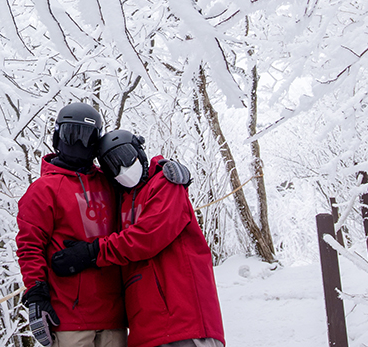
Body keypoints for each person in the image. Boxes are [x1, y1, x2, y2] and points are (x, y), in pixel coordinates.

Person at [51, 130, 225, 347]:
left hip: (184, 323)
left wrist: (92, 252)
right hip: (145, 330)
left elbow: (147, 236)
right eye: (112, 166)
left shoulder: (165, 184)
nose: (122, 169)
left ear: (139, 151)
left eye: (125, 157)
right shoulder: (121, 201)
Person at [16, 103, 127, 347]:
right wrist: (36, 293)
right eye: (71, 135)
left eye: (86, 137)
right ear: (58, 137)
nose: (78, 144)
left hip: (114, 315)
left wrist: (164, 170)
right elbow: (29, 245)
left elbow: (140, 182)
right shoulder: (43, 190)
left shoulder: (110, 183)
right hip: (69, 316)